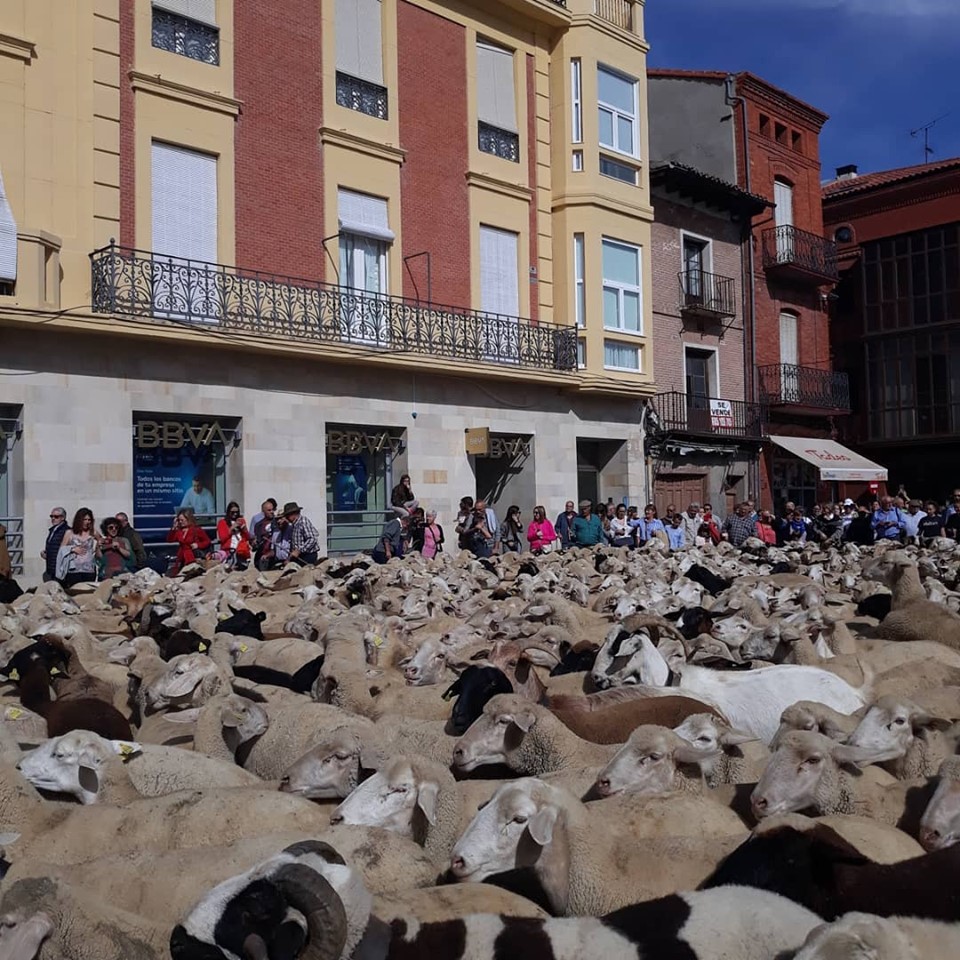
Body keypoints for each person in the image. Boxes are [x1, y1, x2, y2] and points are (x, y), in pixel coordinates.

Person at [57, 508, 101, 587]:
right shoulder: (70, 533)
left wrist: (99, 544)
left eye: (89, 519)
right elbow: (61, 550)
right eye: (84, 519)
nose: (87, 522)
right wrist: (73, 549)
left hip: (89, 569)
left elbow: (101, 542)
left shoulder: (93, 532)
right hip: (74, 570)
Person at [167, 509, 212, 574]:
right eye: (179, 520)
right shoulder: (179, 531)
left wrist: (198, 545)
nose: (180, 522)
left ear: (188, 519)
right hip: (182, 557)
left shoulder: (196, 529)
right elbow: (170, 540)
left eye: (182, 520)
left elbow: (207, 541)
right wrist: (174, 527)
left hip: (193, 557)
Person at [216, 502, 252, 570]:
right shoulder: (222, 522)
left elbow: (248, 537)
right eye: (232, 512)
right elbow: (222, 539)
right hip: (229, 550)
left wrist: (244, 530)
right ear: (228, 512)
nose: (235, 514)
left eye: (237, 512)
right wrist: (231, 529)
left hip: (241, 550)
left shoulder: (241, 521)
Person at [41, 507, 69, 582]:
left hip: (60, 570)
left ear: (62, 517)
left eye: (56, 517)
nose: (53, 518)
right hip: (51, 568)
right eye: (51, 516)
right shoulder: (53, 530)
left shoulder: (66, 531)